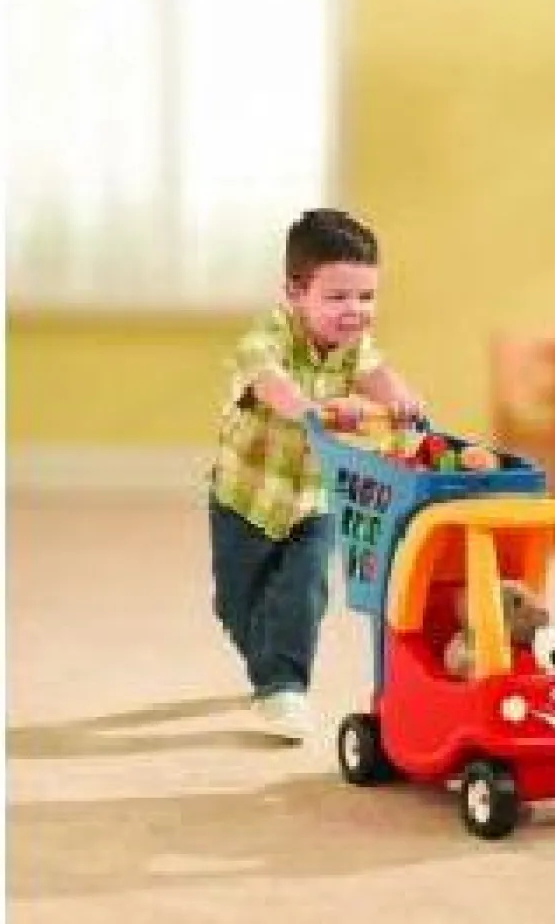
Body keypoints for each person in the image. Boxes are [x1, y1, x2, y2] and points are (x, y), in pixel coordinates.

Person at [208, 208, 423, 741]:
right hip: (244, 495)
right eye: (338, 297)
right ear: (296, 292)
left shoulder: (354, 346)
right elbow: (271, 384)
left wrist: (401, 401)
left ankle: (283, 687)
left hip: (313, 496)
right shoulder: (268, 337)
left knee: (304, 589)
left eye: (366, 297)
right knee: (237, 602)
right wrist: (312, 409)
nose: (355, 311)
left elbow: (377, 375)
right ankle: (259, 644)